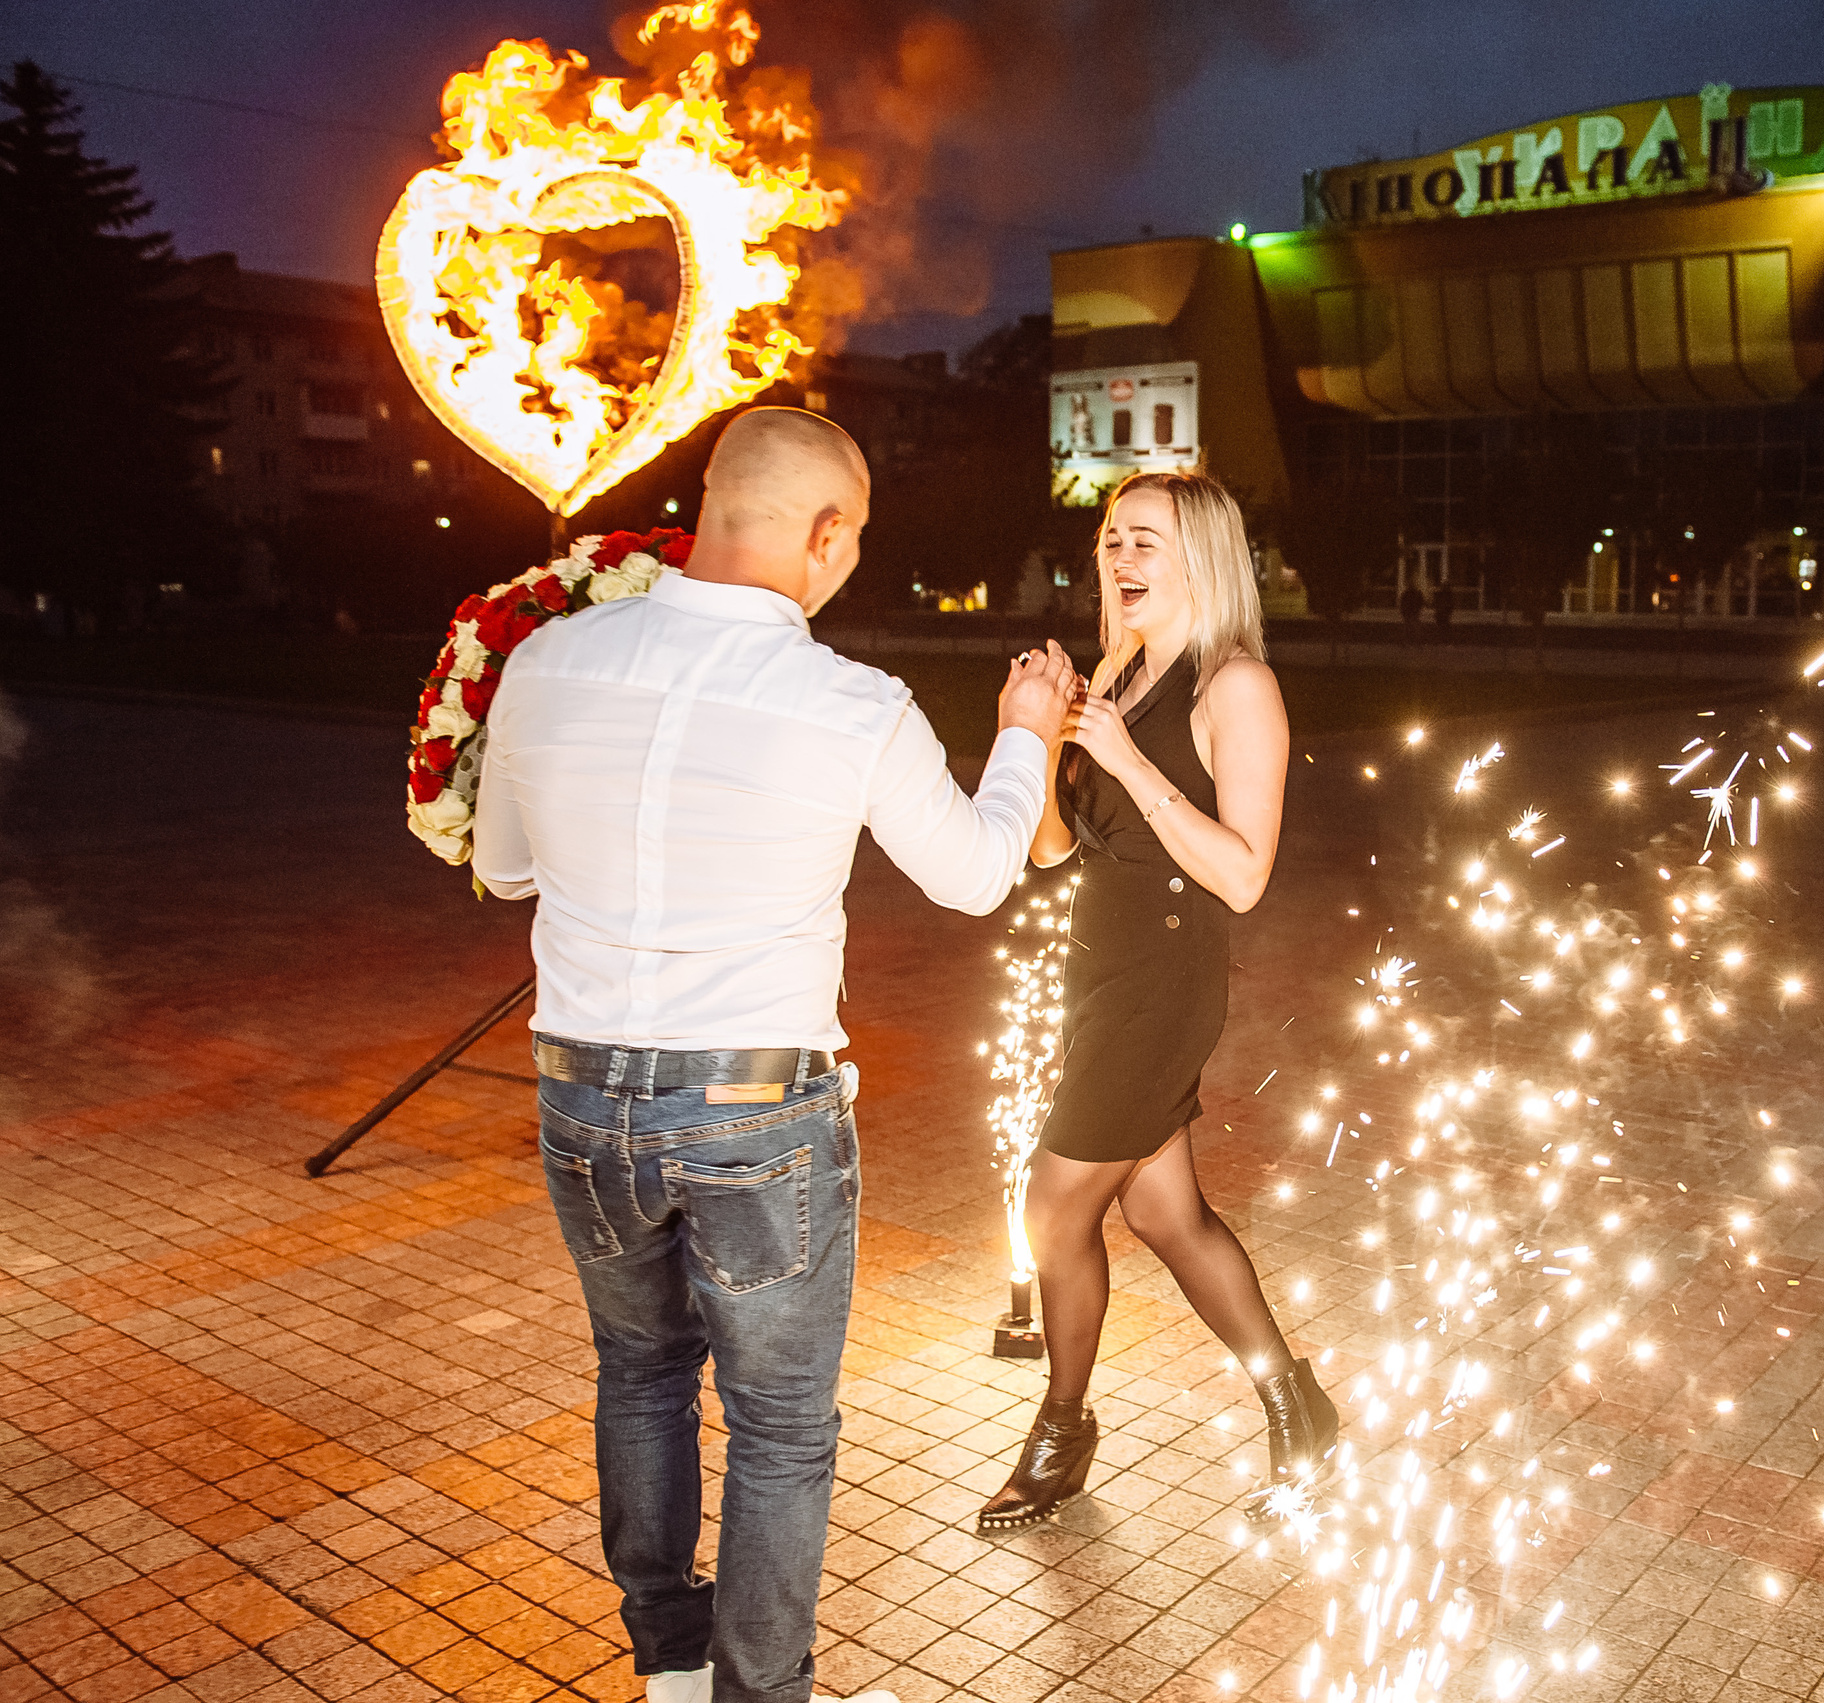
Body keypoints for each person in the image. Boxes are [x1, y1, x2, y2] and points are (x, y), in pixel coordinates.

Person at [473, 408, 1076, 1703]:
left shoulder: (547, 659)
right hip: (754, 1112)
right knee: (781, 1425)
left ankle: (670, 1664)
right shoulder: (849, 702)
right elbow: (977, 872)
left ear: (709, 503)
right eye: (853, 541)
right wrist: (1028, 726)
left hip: (581, 1096)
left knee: (641, 1373)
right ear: (827, 533)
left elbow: (503, 866)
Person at [977, 470, 1333, 1533]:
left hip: (1166, 981)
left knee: (1054, 1208)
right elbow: (1052, 851)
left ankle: (1063, 1427)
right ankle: (1298, 1405)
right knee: (1163, 1211)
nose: (1119, 557)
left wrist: (1125, 757)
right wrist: (1038, 736)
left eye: (1145, 540)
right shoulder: (1115, 676)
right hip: (1100, 973)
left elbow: (1243, 874)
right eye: (1111, 538)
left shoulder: (1236, 686)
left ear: (1202, 559)